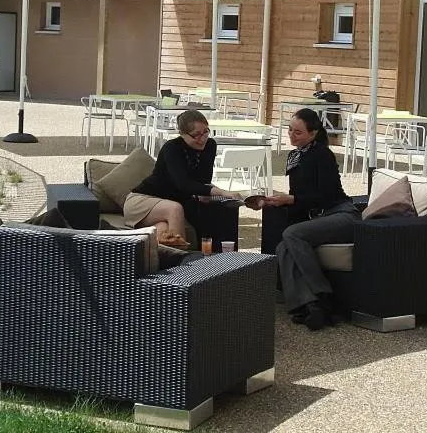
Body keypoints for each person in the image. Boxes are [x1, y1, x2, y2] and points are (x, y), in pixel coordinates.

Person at [253, 108, 359, 330]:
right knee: (283, 247)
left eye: (298, 132)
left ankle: (323, 294)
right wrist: (274, 202)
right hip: (316, 219)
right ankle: (307, 306)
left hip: (341, 214)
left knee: (292, 233)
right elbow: (300, 199)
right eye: (290, 130)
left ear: (312, 133)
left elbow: (326, 195)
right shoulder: (294, 156)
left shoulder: (322, 154)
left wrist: (290, 199)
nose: (292, 135)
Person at [123, 109, 239, 255]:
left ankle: (163, 269)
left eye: (205, 132)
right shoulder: (172, 149)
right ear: (182, 134)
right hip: (142, 201)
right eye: (196, 135)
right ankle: (183, 264)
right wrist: (221, 191)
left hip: (163, 208)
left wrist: (208, 193)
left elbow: (203, 181)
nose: (202, 138)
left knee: (166, 235)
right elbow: (183, 185)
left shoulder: (210, 146)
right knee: (174, 209)